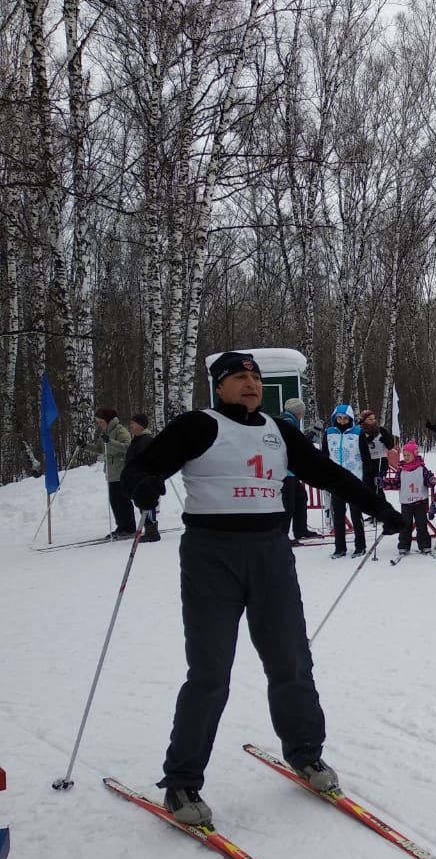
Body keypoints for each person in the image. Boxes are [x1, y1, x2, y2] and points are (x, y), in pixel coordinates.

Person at [120, 351, 404, 826]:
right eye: (239, 377)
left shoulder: (279, 430)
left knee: (291, 659)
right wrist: (144, 487)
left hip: (271, 553)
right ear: (219, 385)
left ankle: (305, 753)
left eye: (254, 376)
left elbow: (328, 474)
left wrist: (381, 508)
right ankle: (182, 782)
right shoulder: (197, 425)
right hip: (212, 555)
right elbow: (139, 468)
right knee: (210, 672)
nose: (250, 383)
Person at [322, 404, 367, 558]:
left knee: (356, 515)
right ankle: (340, 548)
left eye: (345, 418)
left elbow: (366, 458)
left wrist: (366, 481)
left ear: (350, 419)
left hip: (354, 480)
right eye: (339, 418)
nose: (342, 421)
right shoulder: (329, 433)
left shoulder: (358, 433)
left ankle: (360, 546)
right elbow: (324, 457)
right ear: (335, 418)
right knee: (338, 517)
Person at [280, 398, 320, 543]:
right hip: (285, 471)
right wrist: (313, 434)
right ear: (298, 412)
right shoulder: (288, 423)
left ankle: (300, 530)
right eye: (302, 412)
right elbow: (298, 444)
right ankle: (283, 536)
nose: (302, 415)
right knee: (288, 504)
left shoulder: (289, 422)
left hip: (290, 471)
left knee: (301, 497)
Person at [95, 407, 135, 539]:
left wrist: (110, 442)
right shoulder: (105, 432)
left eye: (100, 421)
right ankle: (121, 526)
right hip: (111, 472)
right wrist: (84, 445)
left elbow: (127, 447)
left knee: (123, 500)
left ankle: (129, 528)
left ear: (107, 420)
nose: (99, 424)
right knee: (114, 501)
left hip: (121, 471)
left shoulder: (120, 430)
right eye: (98, 422)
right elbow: (99, 449)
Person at [125, 414, 162, 542]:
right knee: (142, 504)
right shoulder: (137, 439)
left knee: (148, 505)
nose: (131, 426)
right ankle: (149, 530)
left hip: (146, 479)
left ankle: (152, 532)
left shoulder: (145, 440)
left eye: (133, 424)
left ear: (140, 425)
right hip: (138, 479)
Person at [396, 441, 433, 556]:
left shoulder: (422, 469)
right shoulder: (401, 469)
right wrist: (384, 483)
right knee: (405, 524)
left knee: (421, 525)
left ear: (415, 454)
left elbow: (428, 481)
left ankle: (425, 545)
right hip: (406, 502)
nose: (406, 457)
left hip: (420, 502)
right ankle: (403, 546)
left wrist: (431, 480)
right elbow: (396, 483)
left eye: (408, 455)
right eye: (404, 455)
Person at [356, 409, 396, 507]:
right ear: (364, 420)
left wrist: (386, 439)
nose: (373, 421)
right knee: (368, 488)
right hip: (366, 463)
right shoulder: (360, 432)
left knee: (378, 487)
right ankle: (374, 512)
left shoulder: (381, 430)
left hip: (380, 461)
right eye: (370, 419)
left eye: (374, 419)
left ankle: (383, 512)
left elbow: (390, 446)